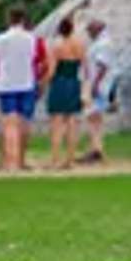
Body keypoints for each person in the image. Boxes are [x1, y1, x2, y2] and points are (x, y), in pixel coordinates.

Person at [39, 17, 86, 168]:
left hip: (60, 82)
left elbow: (52, 70)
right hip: (73, 82)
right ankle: (70, 158)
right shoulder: (79, 44)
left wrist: (43, 84)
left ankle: (55, 157)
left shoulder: (56, 46)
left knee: (57, 122)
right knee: (72, 121)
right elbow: (84, 66)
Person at [0, 9, 34, 175]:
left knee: (9, 122)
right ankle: (20, 159)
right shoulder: (30, 38)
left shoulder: (1, 39)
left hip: (7, 83)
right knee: (23, 122)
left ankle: (10, 160)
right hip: (25, 82)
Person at [75, 18, 109, 170]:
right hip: (95, 82)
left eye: (90, 30)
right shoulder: (99, 44)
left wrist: (95, 84)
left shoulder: (104, 44)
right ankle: (96, 148)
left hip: (96, 84)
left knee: (92, 117)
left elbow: (103, 66)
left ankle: (95, 149)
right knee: (95, 118)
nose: (89, 33)